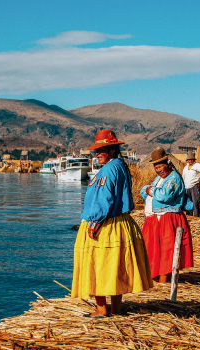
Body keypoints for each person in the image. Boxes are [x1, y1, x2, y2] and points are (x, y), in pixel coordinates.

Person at [72, 129, 153, 318]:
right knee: (115, 267)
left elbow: (104, 197)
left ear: (111, 149)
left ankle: (101, 310)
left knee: (96, 265)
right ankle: (116, 309)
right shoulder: (120, 165)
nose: (96, 154)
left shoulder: (109, 169)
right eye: (96, 150)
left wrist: (95, 222)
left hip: (105, 223)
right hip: (120, 222)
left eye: (101, 150)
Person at [140, 148, 194, 283]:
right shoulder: (159, 179)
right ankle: (157, 276)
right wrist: (150, 190)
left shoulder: (174, 178)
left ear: (168, 164)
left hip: (169, 219)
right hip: (158, 218)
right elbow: (143, 191)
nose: (158, 170)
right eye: (156, 167)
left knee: (166, 249)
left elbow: (165, 195)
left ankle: (164, 280)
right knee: (155, 248)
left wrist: (151, 190)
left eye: (160, 166)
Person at [182, 151, 200, 217]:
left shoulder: (197, 166)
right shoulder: (185, 168)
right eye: (188, 160)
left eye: (191, 160)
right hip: (187, 187)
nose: (190, 161)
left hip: (195, 186)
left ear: (194, 160)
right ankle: (189, 217)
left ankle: (197, 217)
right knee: (188, 203)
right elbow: (183, 176)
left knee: (196, 202)